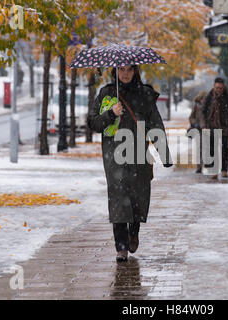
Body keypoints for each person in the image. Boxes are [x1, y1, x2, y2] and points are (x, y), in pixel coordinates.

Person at [88, 65, 173, 262]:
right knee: (118, 198)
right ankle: (121, 246)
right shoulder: (107, 94)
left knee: (138, 196)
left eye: (129, 70)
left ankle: (134, 232)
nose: (125, 73)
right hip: (114, 156)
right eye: (121, 70)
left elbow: (155, 124)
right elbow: (93, 123)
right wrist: (110, 113)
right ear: (115, 72)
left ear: (135, 72)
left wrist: (164, 154)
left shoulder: (144, 95)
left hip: (139, 155)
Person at [202, 77, 228, 179]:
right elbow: (203, 111)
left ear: (223, 88)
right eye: (217, 88)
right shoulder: (209, 97)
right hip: (211, 126)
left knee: (223, 150)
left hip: (224, 127)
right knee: (212, 150)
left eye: (220, 88)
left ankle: (224, 170)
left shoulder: (227, 97)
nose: (219, 90)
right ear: (214, 86)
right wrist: (203, 125)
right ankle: (214, 171)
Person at [189, 91, 207, 173]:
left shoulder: (208, 107)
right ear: (200, 99)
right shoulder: (196, 106)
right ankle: (199, 166)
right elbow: (191, 117)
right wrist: (195, 123)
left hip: (207, 129)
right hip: (198, 130)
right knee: (199, 148)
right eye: (202, 99)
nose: (203, 101)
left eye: (205, 99)